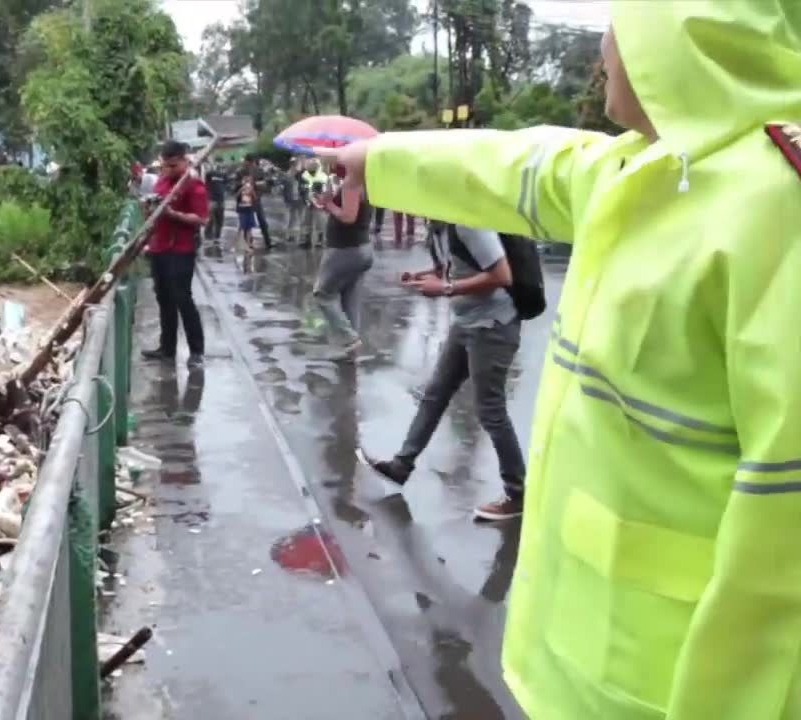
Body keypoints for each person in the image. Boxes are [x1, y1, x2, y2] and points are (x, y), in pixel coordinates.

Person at [322, 4, 801, 719]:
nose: (604, 46)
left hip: (672, 689)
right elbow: (518, 165)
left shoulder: (777, 211)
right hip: (575, 670)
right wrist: (376, 160)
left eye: (622, 23)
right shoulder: (642, 167)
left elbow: (785, 539)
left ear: (681, 35)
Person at [366, 223, 525, 518]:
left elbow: (502, 275)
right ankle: (401, 466)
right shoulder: (440, 225)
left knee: (491, 411)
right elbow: (457, 267)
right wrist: (424, 276)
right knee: (435, 394)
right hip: (466, 323)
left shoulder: (468, 224)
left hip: (492, 326)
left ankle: (517, 494)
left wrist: (446, 288)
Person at [142, 140, 208, 368]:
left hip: (181, 250)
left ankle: (196, 351)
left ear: (184, 161)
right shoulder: (162, 181)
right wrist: (149, 209)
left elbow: (201, 219)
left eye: (173, 166)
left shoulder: (194, 185)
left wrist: (173, 214)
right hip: (158, 247)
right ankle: (167, 348)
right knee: (164, 299)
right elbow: (153, 210)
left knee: (183, 299)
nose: (168, 170)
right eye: (165, 165)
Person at [312, 163, 374, 355]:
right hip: (360, 248)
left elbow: (348, 216)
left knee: (323, 294)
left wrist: (330, 204)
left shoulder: (351, 184)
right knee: (350, 300)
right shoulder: (365, 183)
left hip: (345, 249)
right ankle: (350, 347)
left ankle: (349, 338)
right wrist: (329, 205)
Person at [236, 155, 274, 249]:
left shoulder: (258, 171)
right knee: (247, 223)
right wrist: (243, 185)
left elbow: (265, 184)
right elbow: (236, 185)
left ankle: (267, 242)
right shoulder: (241, 171)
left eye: (249, 162)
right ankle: (249, 243)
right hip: (246, 199)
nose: (248, 164)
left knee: (261, 222)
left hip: (255, 199)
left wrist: (255, 184)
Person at [300, 159, 330, 246]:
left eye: (313, 166)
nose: (311, 167)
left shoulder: (323, 176)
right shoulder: (304, 176)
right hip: (307, 202)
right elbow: (301, 187)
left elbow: (326, 190)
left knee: (320, 222)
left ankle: (320, 240)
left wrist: (320, 196)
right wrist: (304, 196)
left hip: (318, 202)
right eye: (310, 166)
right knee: (306, 221)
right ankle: (307, 240)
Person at [283, 158, 307, 242]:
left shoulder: (300, 174)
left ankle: (301, 236)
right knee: (291, 219)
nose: (294, 165)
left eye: (295, 163)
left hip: (300, 199)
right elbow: (284, 189)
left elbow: (304, 185)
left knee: (301, 218)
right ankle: (290, 235)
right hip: (291, 200)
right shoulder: (287, 175)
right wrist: (286, 199)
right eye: (292, 163)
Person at [203, 163, 228, 242]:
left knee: (220, 219)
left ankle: (217, 236)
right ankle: (208, 235)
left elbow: (226, 185)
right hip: (212, 199)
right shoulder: (210, 174)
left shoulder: (224, 175)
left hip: (221, 199)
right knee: (210, 218)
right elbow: (206, 184)